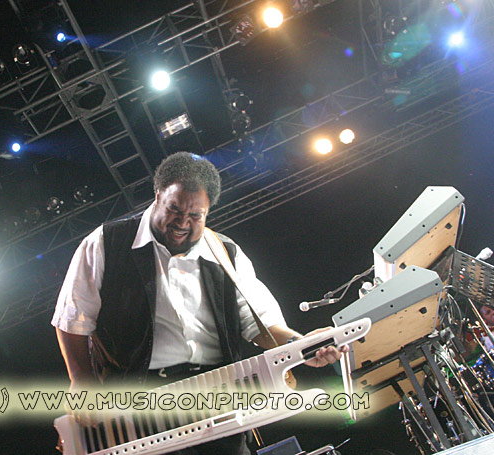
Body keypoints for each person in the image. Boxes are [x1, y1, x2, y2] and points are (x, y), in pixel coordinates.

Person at [52, 152, 346, 454]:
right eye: (174, 209)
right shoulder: (106, 242)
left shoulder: (226, 253)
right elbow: (72, 320)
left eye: (196, 215)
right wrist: (82, 382)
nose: (182, 223)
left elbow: (260, 323)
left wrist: (302, 346)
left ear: (208, 211)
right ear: (158, 196)